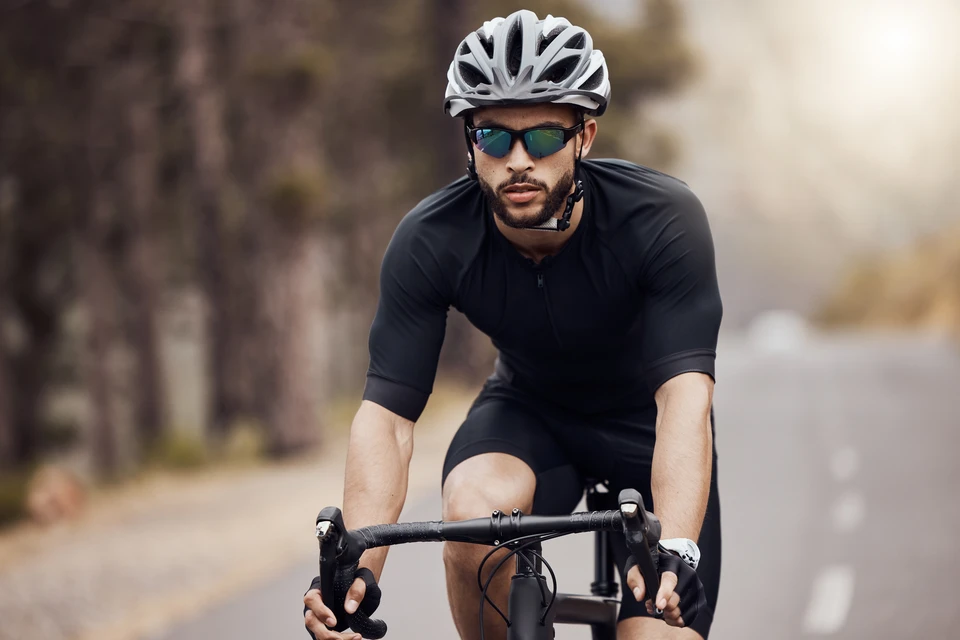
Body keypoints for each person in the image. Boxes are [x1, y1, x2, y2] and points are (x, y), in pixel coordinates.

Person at [304, 9, 722, 640]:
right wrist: (355, 572)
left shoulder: (661, 219)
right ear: (470, 141)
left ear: (585, 136)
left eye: (545, 137)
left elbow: (685, 398)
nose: (518, 160)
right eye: (494, 138)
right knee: (471, 514)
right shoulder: (430, 238)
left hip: (649, 427)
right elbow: (387, 420)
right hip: (529, 413)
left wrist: (680, 547)